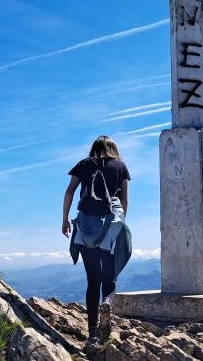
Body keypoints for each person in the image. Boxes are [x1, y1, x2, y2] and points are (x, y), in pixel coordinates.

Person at [62, 135, 132, 350]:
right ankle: (107, 313)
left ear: (93, 148)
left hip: (86, 227)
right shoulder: (120, 166)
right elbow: (124, 199)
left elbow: (70, 191)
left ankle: (92, 333)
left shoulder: (84, 165)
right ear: (113, 149)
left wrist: (65, 219)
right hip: (110, 227)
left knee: (92, 279)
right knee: (108, 277)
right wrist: (120, 224)